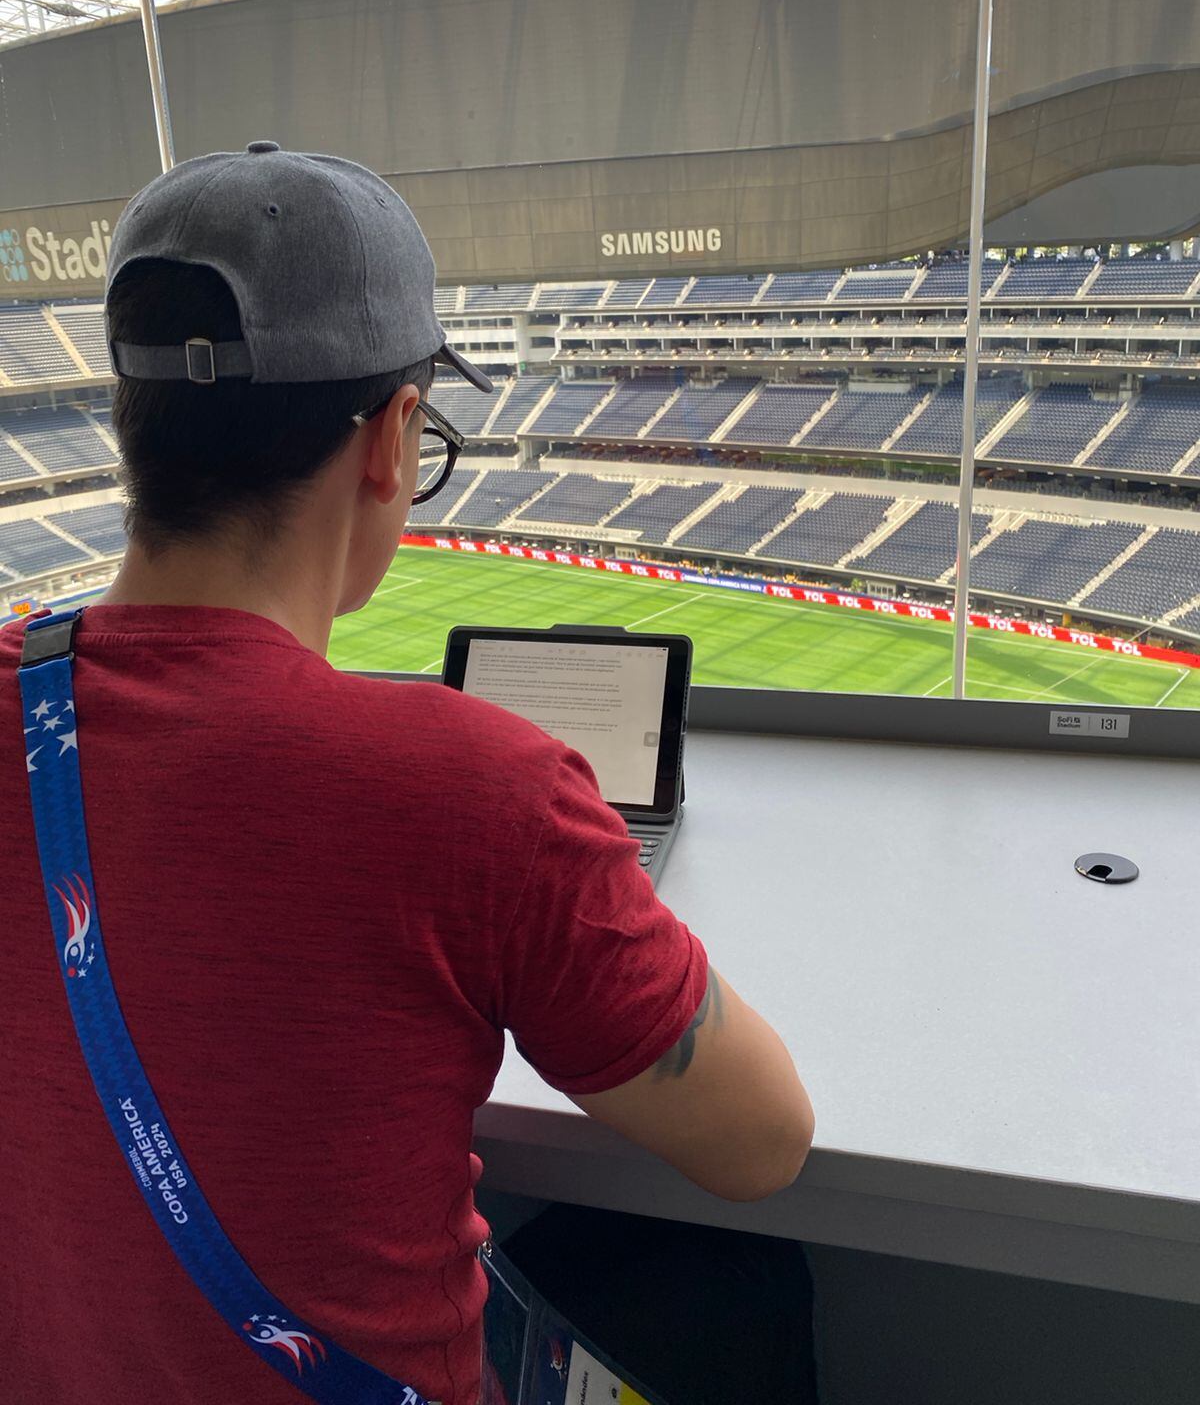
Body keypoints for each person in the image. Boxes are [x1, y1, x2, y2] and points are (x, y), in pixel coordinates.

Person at [0, 144, 816, 1405]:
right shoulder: (478, 790)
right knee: (749, 1281)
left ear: (130, 425)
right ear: (391, 441)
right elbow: (762, 1143)